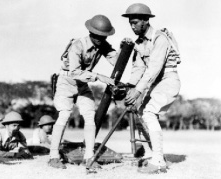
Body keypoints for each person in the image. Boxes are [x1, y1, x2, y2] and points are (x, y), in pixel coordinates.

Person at [49, 14, 122, 170]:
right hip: (66, 82)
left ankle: (89, 157)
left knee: (90, 117)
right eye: (98, 36)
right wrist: (99, 77)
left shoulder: (102, 44)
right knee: (64, 115)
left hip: (82, 84)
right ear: (91, 33)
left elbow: (116, 59)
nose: (101, 39)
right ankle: (53, 156)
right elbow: (75, 72)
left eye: (104, 37)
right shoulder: (77, 45)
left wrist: (125, 50)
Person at [121, 3, 181, 174]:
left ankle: (158, 162)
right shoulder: (140, 43)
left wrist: (138, 91)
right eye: (130, 23)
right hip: (155, 82)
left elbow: (153, 68)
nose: (132, 26)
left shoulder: (159, 38)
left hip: (168, 80)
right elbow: (139, 68)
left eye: (135, 22)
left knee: (148, 113)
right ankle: (158, 157)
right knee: (141, 112)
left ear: (146, 20)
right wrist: (129, 88)